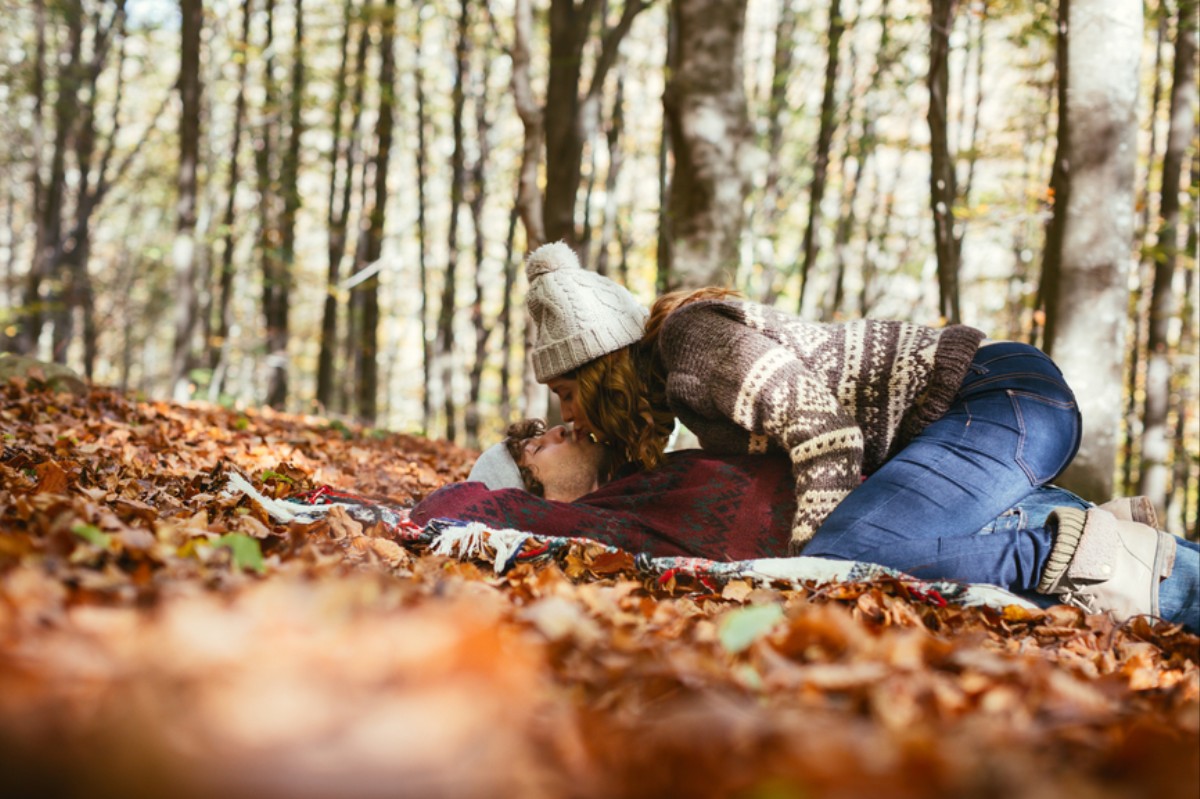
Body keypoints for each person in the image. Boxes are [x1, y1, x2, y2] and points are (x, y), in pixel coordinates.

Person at [519, 241, 1184, 626]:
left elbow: (827, 436)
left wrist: (803, 569)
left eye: (571, 395)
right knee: (887, 540)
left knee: (845, 556)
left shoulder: (690, 343)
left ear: (604, 370)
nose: (572, 416)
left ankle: (1062, 555)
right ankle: (1107, 530)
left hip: (1001, 396)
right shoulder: (682, 391)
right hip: (982, 418)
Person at [411, 420, 1199, 632]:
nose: (555, 433)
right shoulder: (608, 523)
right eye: (533, 448)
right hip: (993, 529)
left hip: (952, 500)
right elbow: (448, 510)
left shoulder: (652, 475)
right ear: (526, 488)